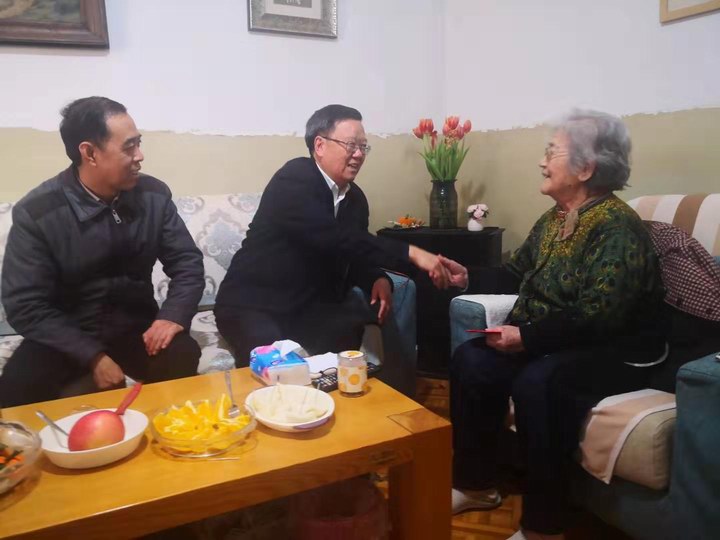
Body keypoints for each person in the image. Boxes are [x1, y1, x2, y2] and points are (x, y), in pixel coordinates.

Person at [440, 109, 669, 540]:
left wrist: (527, 337)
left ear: (585, 168)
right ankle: (476, 485)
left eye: (551, 152)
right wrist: (467, 276)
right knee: (472, 360)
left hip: (616, 350)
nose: (542, 162)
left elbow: (600, 314)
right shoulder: (554, 218)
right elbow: (515, 274)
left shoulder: (616, 227)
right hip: (557, 341)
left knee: (538, 383)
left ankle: (543, 527)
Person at [214, 104, 448, 395]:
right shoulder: (295, 178)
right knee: (277, 369)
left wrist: (376, 277)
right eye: (351, 145)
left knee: (346, 344)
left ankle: (396, 400)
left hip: (308, 308)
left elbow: (354, 252)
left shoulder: (356, 199)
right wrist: (412, 252)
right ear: (320, 145)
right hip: (254, 304)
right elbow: (333, 237)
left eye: (363, 147)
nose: (359, 154)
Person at [0, 97, 204, 407]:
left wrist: (172, 316)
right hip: (66, 336)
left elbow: (187, 262)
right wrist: (92, 356)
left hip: (136, 327)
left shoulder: (153, 194)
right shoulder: (38, 212)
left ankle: (162, 432)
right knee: (16, 389)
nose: (140, 156)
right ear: (90, 153)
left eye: (138, 144)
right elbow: (24, 303)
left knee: (181, 353)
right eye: (129, 147)